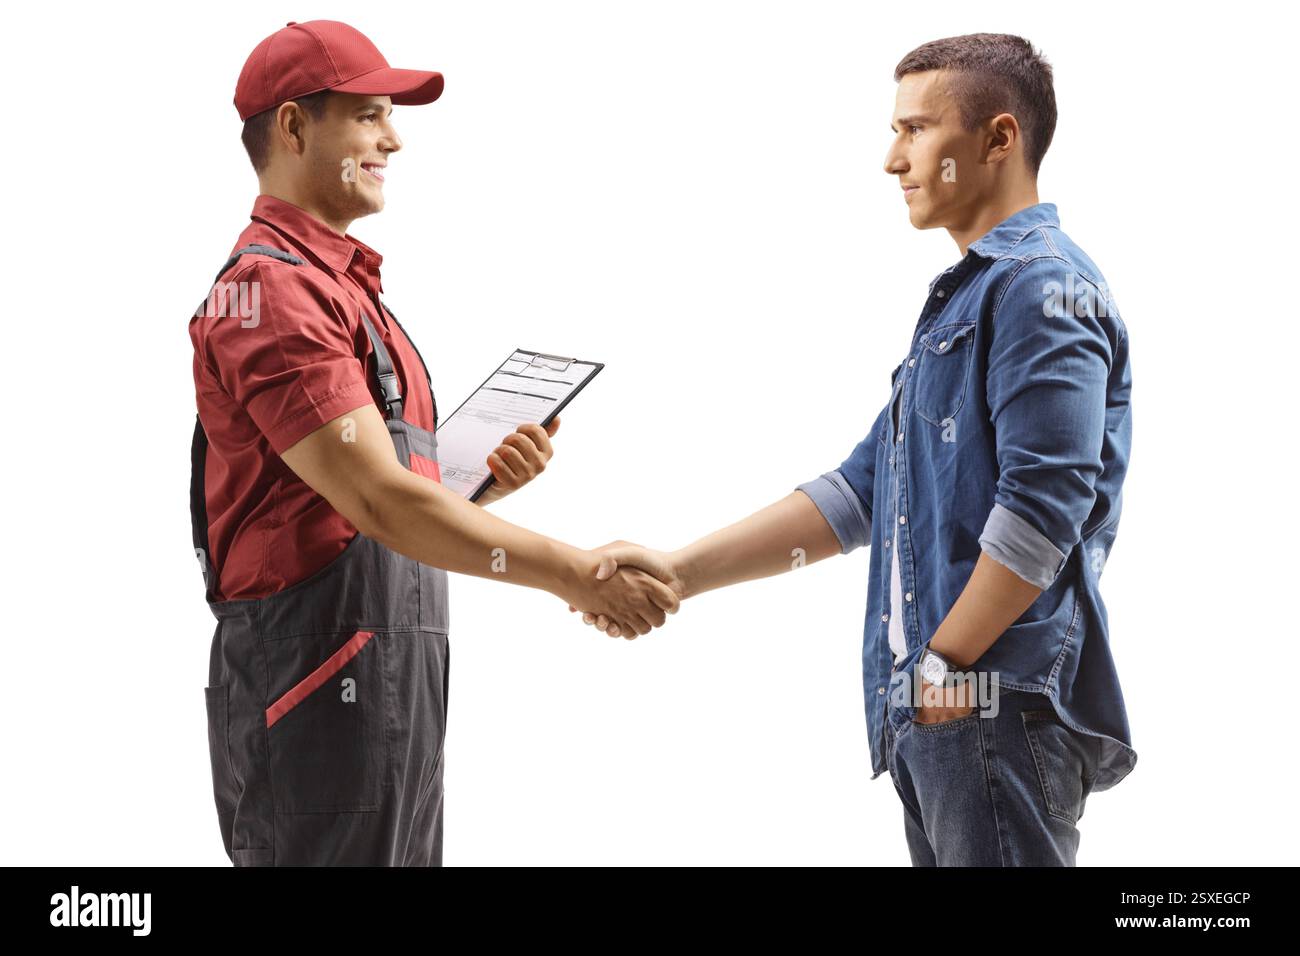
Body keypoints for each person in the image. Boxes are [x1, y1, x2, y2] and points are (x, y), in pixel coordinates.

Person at [578, 33, 1135, 866]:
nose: (891, 159)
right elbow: (859, 493)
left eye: (915, 130)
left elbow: (1043, 509)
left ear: (999, 139)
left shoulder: (1040, 289)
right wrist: (679, 570)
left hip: (988, 704)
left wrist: (945, 663)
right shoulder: (967, 302)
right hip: (947, 713)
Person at [191, 20, 678, 867]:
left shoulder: (346, 292)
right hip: (315, 683)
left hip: (388, 672)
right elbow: (379, 501)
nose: (394, 138)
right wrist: (577, 574)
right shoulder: (271, 293)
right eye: (369, 115)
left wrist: (465, 485)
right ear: (296, 127)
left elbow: (368, 493)